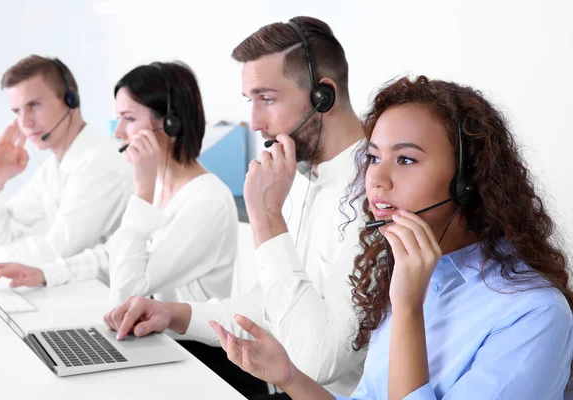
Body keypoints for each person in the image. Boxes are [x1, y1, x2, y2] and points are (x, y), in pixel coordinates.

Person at [209, 75, 573, 399]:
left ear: (467, 181)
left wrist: (408, 310)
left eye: (406, 160)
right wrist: (290, 377)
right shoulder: (409, 272)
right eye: (372, 157)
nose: (377, 180)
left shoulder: (534, 314)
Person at [102, 16, 366, 398]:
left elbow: (316, 363)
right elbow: (270, 306)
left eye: (268, 99)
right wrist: (175, 315)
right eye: (250, 101)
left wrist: (266, 217)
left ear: (323, 95)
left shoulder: (374, 195)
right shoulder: (296, 176)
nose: (255, 121)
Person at [0, 61, 239, 312]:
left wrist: (142, 193)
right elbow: (114, 256)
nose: (117, 132)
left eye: (128, 118)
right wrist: (46, 273)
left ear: (171, 124)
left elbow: (126, 292)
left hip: (189, 349)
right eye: (118, 118)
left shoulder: (205, 201)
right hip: (154, 335)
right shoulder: (162, 187)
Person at [0, 55, 132, 269]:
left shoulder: (101, 163)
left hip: (108, 297)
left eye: (34, 105)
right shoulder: (52, 170)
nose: (25, 122)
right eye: (17, 111)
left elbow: (55, 252)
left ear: (70, 100)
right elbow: (0, 238)